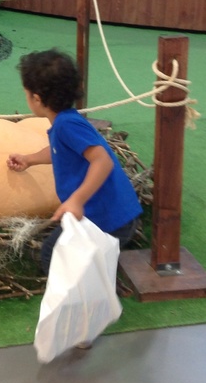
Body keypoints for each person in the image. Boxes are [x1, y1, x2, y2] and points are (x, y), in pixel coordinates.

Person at [7, 49, 142, 276]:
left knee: (52, 254)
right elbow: (60, 151)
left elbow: (103, 161)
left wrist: (76, 200)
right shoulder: (67, 121)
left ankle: (79, 295)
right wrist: (29, 159)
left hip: (108, 218)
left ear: (37, 99)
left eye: (26, 94)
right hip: (108, 215)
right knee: (72, 260)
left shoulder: (66, 125)